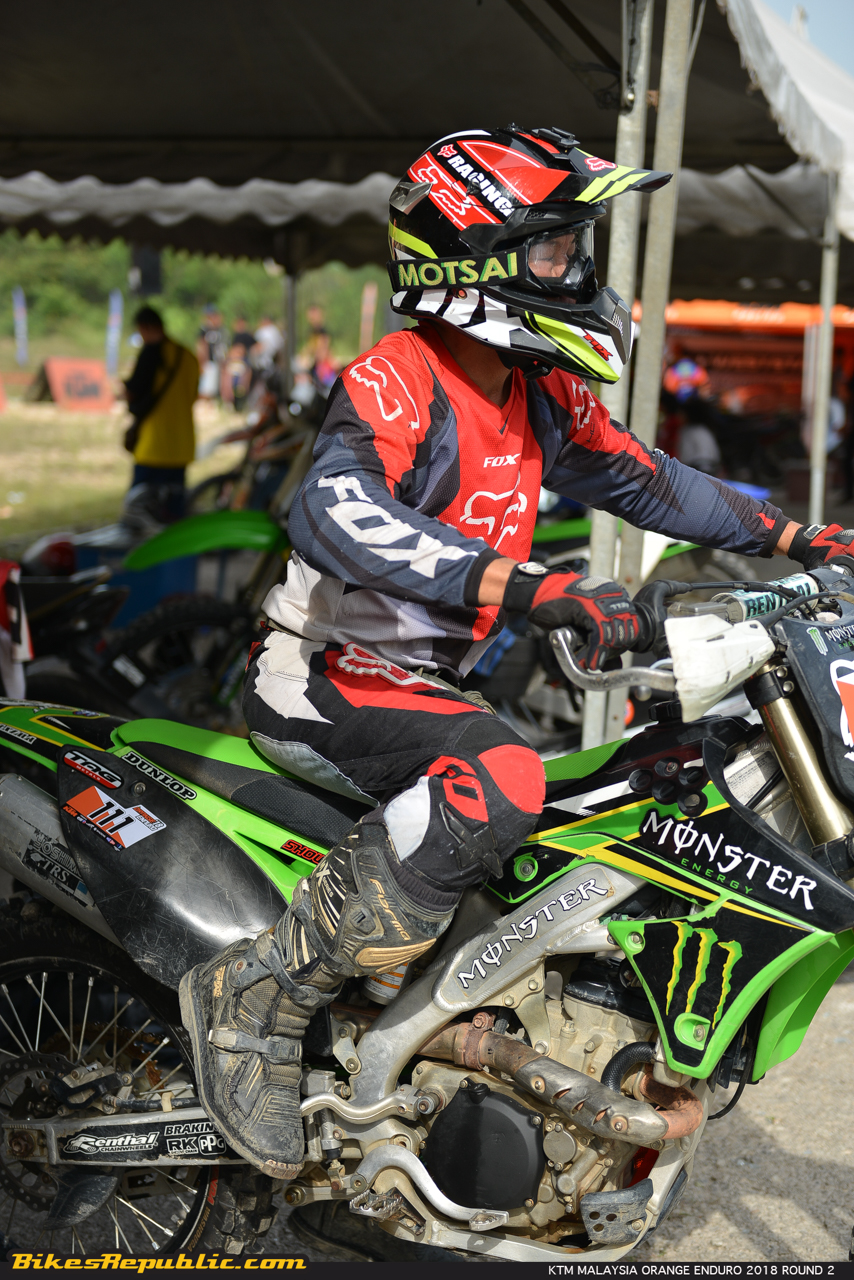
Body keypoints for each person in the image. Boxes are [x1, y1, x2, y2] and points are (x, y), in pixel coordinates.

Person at [179, 124, 854, 1180]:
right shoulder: (396, 379)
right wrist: (526, 585)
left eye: (575, 248)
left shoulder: (533, 389)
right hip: (320, 676)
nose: (576, 272)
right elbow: (333, 509)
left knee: (610, 795)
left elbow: (647, 480)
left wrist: (794, 535)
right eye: (552, 249)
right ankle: (258, 996)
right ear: (470, 257)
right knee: (505, 775)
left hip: (428, 684)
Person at [122, 306, 199, 521]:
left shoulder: (151, 353)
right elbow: (193, 395)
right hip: (182, 444)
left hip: (154, 445)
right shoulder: (188, 356)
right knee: (173, 514)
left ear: (144, 327)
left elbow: (134, 391)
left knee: (139, 511)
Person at [197, 306, 228, 400]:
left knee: (214, 388)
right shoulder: (204, 330)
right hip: (209, 362)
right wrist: (202, 361)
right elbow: (201, 346)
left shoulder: (221, 331)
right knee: (206, 389)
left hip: (218, 362)